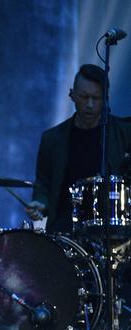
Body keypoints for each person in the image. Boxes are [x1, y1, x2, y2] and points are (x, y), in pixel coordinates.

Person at [27, 64, 131, 233]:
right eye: (84, 97)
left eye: (96, 98)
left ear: (105, 98)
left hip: (114, 228)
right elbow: (43, 183)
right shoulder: (52, 139)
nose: (90, 104)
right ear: (72, 95)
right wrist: (40, 202)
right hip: (66, 228)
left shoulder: (124, 133)